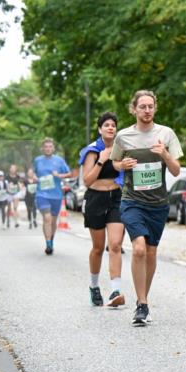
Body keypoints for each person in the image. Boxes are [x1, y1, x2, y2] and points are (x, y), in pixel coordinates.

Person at [110, 90, 183, 326]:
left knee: (151, 252)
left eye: (150, 106)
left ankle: (144, 300)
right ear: (134, 109)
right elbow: (115, 162)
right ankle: (141, 304)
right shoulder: (123, 136)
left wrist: (164, 154)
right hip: (132, 201)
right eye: (142, 106)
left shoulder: (166, 134)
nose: (147, 110)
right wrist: (123, 165)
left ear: (155, 108)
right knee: (139, 249)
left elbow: (175, 170)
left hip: (158, 204)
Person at [80, 112, 126, 308]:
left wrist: (123, 166)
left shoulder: (121, 148)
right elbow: (87, 180)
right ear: (100, 129)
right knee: (98, 248)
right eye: (106, 125)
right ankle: (94, 286)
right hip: (95, 199)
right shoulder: (92, 151)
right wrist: (101, 159)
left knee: (115, 245)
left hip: (115, 198)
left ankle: (116, 289)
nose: (110, 128)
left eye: (113, 125)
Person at [32, 138, 72, 255]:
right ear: (42, 148)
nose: (48, 148)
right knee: (47, 218)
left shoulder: (59, 160)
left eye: (50, 146)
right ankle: (48, 243)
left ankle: (51, 240)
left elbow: (69, 173)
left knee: (53, 220)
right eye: (46, 147)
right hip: (42, 194)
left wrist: (59, 175)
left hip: (56, 195)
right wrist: (34, 177)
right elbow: (33, 172)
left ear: (53, 148)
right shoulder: (38, 160)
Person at [6, 164, 24, 228]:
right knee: (9, 208)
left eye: (14, 168)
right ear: (10, 169)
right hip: (8, 193)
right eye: (12, 168)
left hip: (16, 193)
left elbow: (21, 183)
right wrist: (8, 185)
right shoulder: (7, 177)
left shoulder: (18, 177)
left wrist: (20, 186)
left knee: (15, 208)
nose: (13, 169)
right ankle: (8, 221)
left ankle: (16, 222)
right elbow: (5, 184)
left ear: (16, 169)